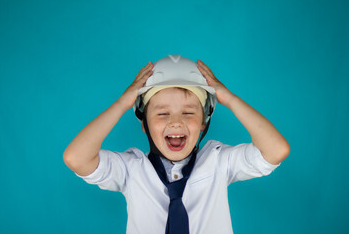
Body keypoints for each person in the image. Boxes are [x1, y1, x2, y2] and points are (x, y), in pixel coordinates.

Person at [63, 55, 290, 234]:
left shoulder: (219, 161)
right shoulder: (131, 168)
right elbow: (76, 157)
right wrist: (123, 103)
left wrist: (228, 98)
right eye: (162, 113)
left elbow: (276, 150)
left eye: (188, 112)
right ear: (144, 124)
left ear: (204, 122)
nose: (176, 122)